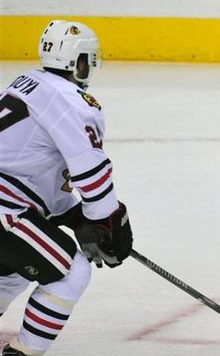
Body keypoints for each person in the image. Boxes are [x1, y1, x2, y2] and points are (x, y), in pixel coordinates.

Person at [0, 21, 133, 355]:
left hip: (9, 201)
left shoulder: (25, 84)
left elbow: (31, 168)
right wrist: (107, 219)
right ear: (79, 62)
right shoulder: (73, 101)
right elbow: (90, 169)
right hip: (5, 208)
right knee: (71, 272)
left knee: (15, 270)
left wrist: (75, 214)